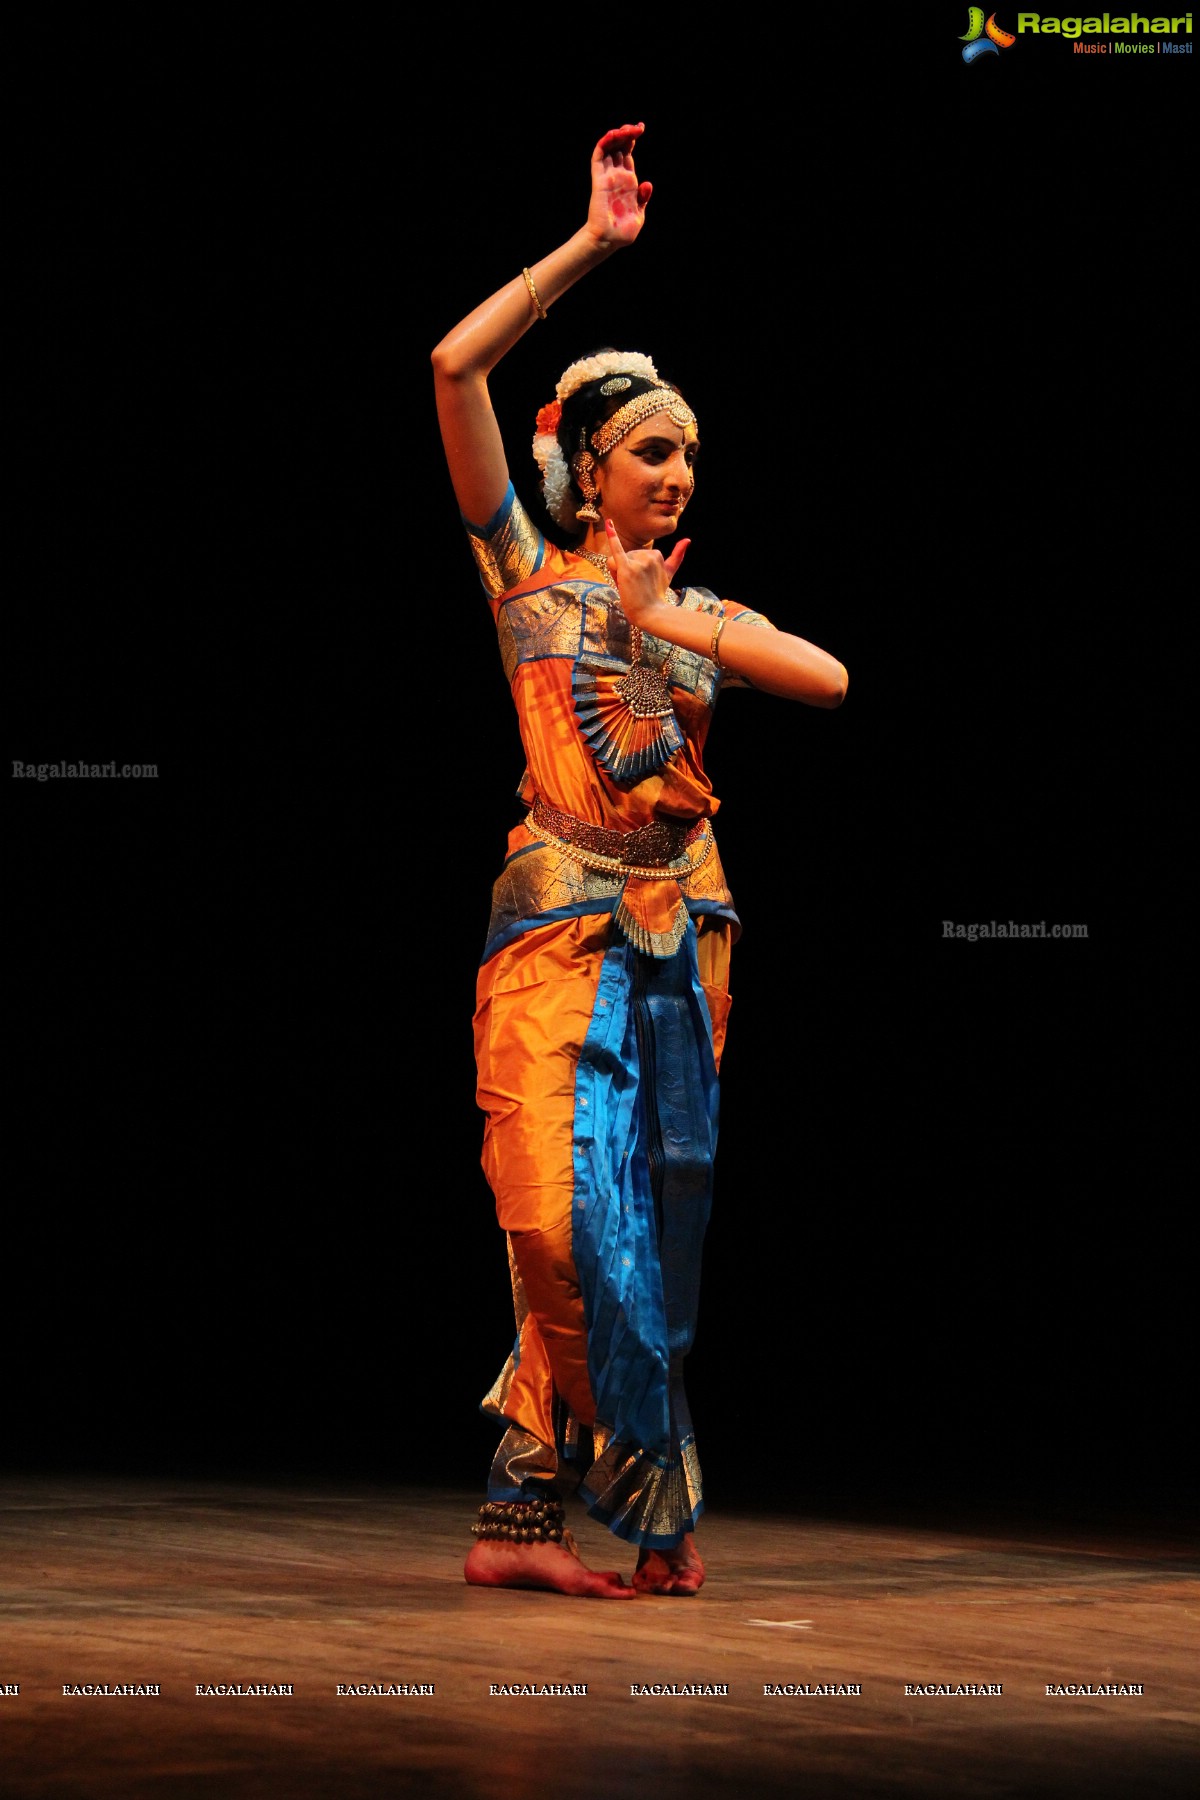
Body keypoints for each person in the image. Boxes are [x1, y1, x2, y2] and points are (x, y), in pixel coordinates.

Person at [432, 124, 847, 1599]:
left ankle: (524, 1516)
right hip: (551, 924)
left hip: (679, 931)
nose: (678, 473)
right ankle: (593, 1486)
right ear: (589, 468)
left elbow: (831, 680)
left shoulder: (698, 608)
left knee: (641, 1225)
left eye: (689, 454)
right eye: (653, 449)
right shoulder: (522, 574)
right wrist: (592, 251)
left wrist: (678, 628)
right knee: (553, 1213)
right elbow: (451, 372)